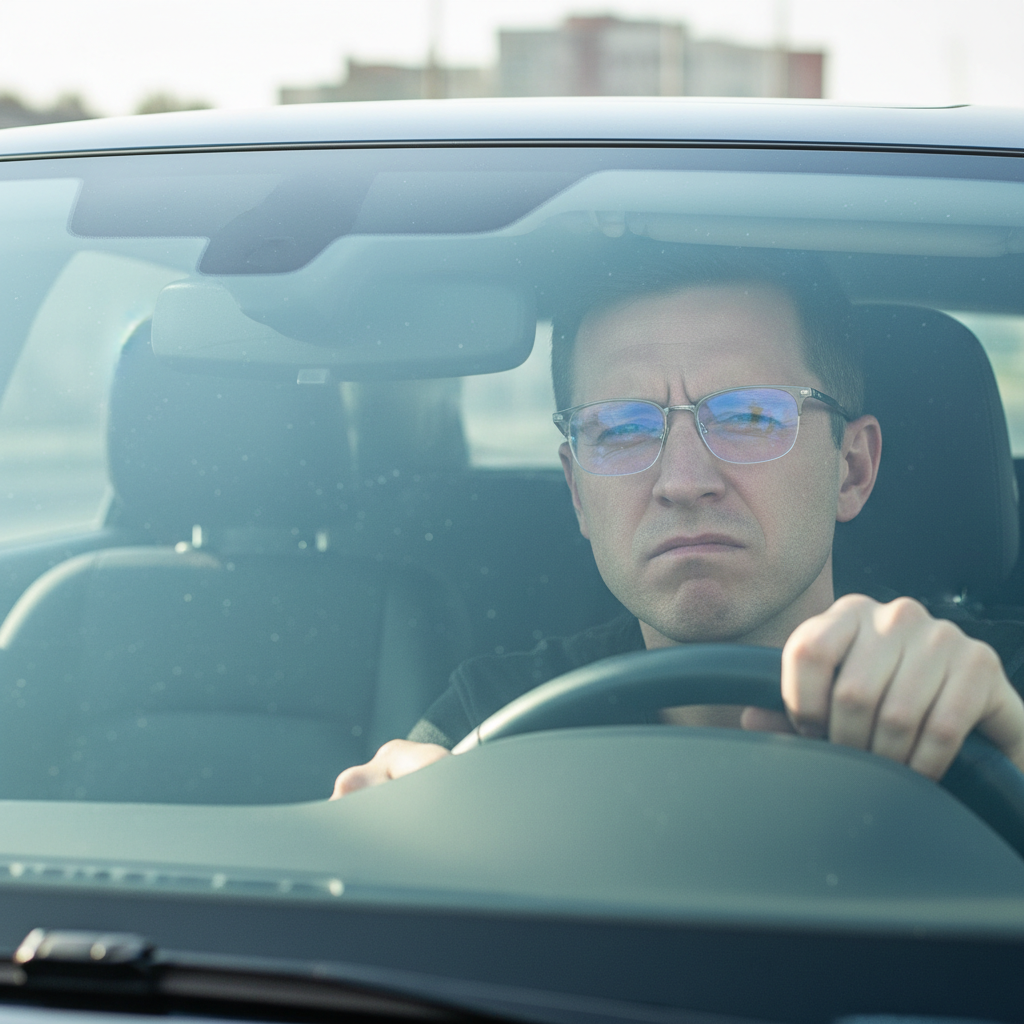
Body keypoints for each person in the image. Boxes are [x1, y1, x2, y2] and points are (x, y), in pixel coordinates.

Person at [332, 247, 1024, 798]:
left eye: (750, 415)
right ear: (577, 493)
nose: (683, 482)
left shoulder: (1000, 693)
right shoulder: (491, 724)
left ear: (852, 468)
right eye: (620, 429)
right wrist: (379, 840)